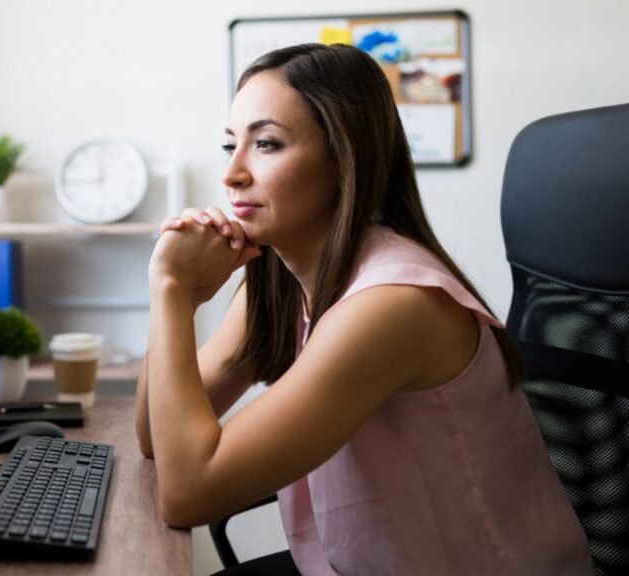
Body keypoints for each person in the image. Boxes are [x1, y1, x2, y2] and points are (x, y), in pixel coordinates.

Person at [135, 43, 592, 575]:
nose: (231, 174)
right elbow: (153, 438)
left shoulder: (394, 305)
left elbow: (188, 492)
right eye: (229, 144)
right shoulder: (281, 281)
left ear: (342, 158)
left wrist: (169, 286)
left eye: (266, 144)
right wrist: (184, 300)